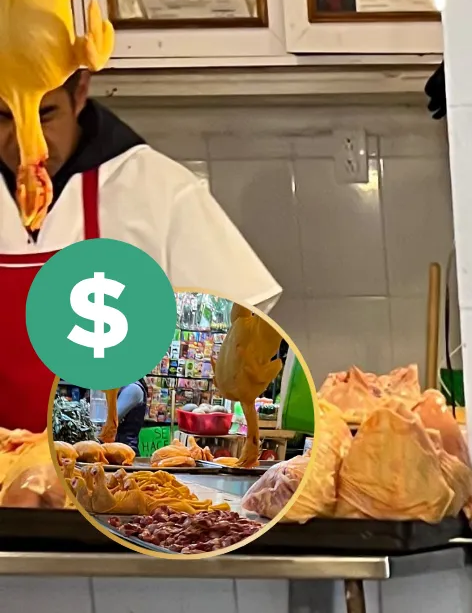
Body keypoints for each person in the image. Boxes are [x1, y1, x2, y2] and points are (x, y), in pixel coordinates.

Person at [0, 69, 281, 434]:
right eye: (4, 117)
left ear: (80, 93)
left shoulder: (155, 189)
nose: (27, 142)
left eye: (45, 114)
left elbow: (249, 317)